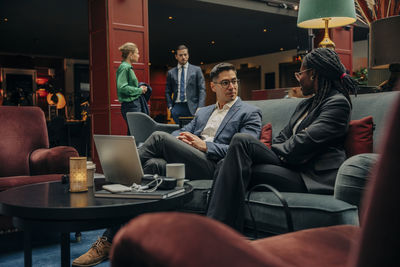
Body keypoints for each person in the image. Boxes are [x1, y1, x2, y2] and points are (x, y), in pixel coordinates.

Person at [72, 62, 262, 267]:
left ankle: (113, 174)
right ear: (214, 86)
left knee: (159, 139)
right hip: (190, 160)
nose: (231, 87)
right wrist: (181, 140)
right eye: (225, 82)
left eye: (234, 81)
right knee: (152, 164)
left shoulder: (249, 112)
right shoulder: (204, 113)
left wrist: (206, 146)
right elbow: (178, 133)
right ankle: (111, 239)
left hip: (215, 166)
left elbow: (243, 150)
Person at [207, 48, 359, 231]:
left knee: (242, 141)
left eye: (300, 74)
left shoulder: (338, 103)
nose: (298, 79)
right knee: (225, 162)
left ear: (313, 74)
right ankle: (223, 231)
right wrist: (280, 151)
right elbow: (283, 137)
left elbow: (304, 142)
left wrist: (275, 153)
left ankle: (214, 230)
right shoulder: (306, 105)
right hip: (289, 166)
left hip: (308, 176)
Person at [165, 45, 206, 124]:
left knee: (192, 132)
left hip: (193, 107)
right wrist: (170, 107)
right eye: (180, 55)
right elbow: (167, 91)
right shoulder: (171, 73)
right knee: (180, 132)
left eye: (185, 54)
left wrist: (200, 107)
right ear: (176, 56)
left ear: (188, 55)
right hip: (177, 107)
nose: (183, 57)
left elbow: (202, 90)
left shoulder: (197, 70)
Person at [117, 42, 151, 135]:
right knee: (136, 133)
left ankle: (131, 150)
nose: (138, 55)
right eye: (137, 53)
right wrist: (140, 90)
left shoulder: (127, 67)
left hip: (133, 104)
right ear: (130, 54)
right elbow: (122, 88)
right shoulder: (124, 67)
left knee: (134, 132)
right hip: (131, 105)